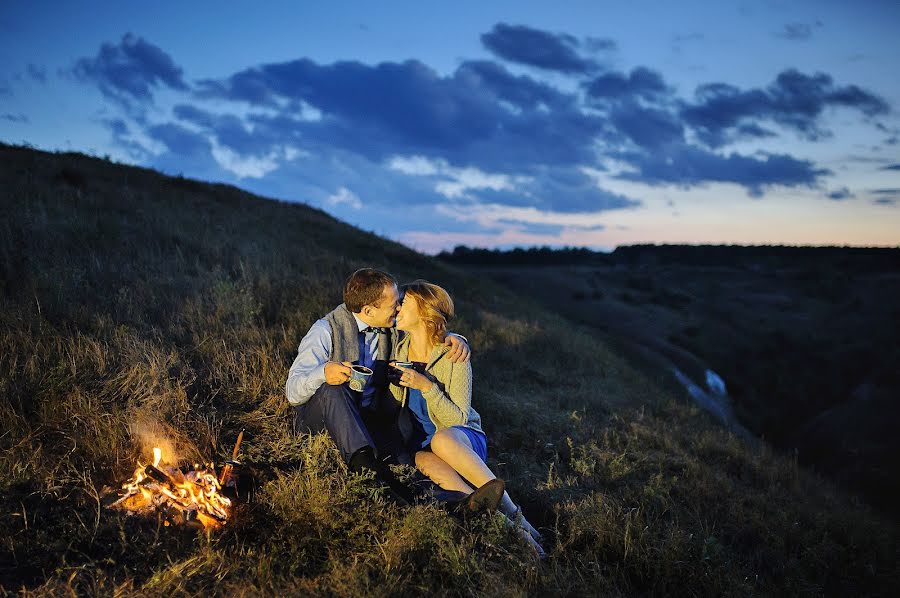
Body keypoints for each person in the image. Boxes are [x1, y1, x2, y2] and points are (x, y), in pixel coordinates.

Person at [285, 268, 471, 505]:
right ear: (369, 310)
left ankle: (452, 502)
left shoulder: (391, 328)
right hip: (322, 422)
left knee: (407, 465)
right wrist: (323, 373)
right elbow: (292, 392)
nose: (399, 308)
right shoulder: (325, 330)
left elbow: (423, 327)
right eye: (394, 304)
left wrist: (455, 337)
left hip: (370, 420)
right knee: (333, 389)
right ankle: (367, 471)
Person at [390, 280, 545, 555]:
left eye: (405, 301)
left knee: (442, 440)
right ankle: (511, 531)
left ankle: (518, 515)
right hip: (422, 446)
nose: (398, 305)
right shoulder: (398, 349)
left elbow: (459, 418)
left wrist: (427, 387)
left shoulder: (454, 354)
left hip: (460, 439)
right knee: (428, 465)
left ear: (425, 312)